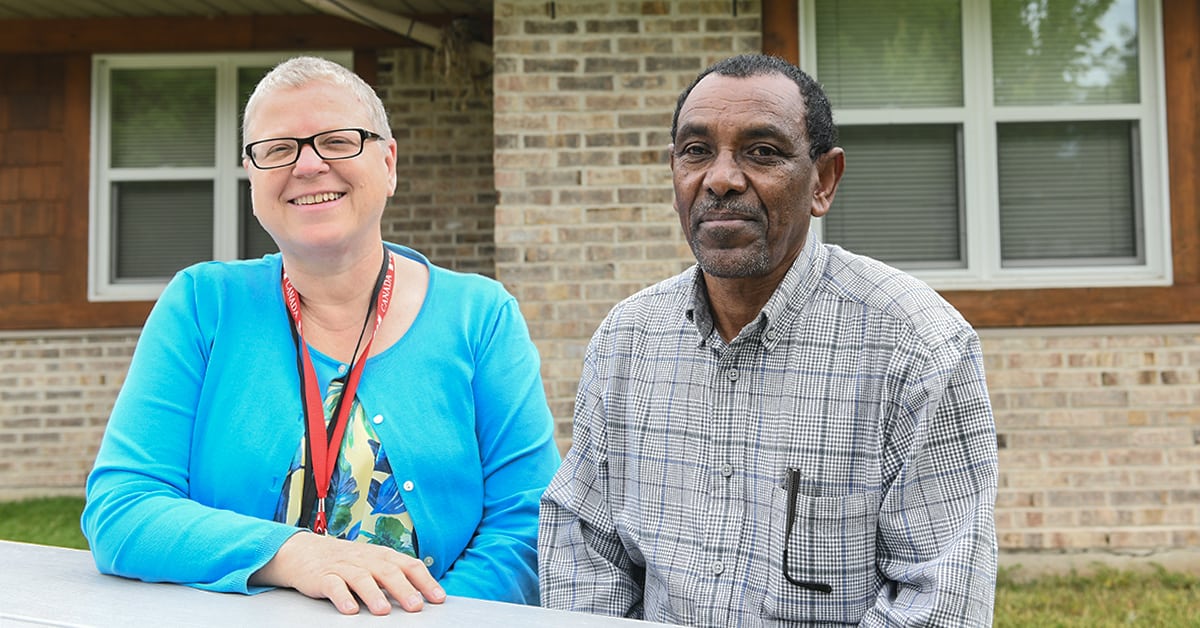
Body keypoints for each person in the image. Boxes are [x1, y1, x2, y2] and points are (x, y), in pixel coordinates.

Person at [82, 56, 561, 616]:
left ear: (388, 163)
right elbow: (122, 510)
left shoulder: (480, 317)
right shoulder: (202, 305)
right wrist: (293, 553)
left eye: (337, 141)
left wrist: (437, 616)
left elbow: (528, 525)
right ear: (252, 177)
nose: (308, 166)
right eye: (278, 149)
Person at [538, 54, 998, 626]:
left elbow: (938, 604)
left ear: (823, 182)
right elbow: (587, 556)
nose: (721, 178)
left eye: (763, 152)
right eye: (696, 150)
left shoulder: (917, 346)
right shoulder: (627, 342)